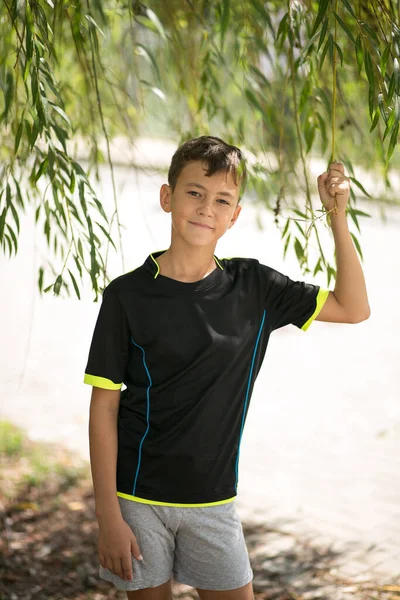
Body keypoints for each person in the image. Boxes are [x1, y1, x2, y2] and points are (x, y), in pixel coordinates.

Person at [84, 136, 370, 600]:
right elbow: (103, 410)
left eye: (222, 200)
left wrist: (337, 215)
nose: (206, 208)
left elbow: (354, 307)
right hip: (137, 501)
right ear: (167, 197)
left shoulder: (254, 287)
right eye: (195, 192)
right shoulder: (126, 295)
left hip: (214, 503)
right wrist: (108, 517)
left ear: (234, 216)